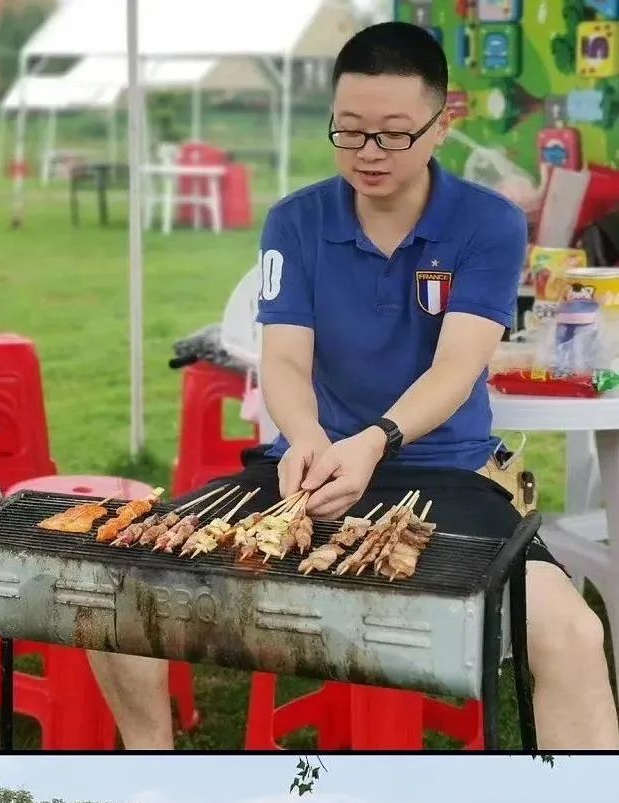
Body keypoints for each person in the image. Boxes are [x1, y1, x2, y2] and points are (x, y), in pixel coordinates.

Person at [89, 22, 619, 752]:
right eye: (350, 132)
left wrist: (375, 441)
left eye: (393, 135)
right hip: (308, 471)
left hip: (445, 471)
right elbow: (282, 362)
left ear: (442, 125)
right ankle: (148, 770)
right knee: (109, 590)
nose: (367, 154)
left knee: (571, 631)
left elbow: (454, 366)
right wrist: (306, 438)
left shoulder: (486, 223)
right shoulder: (296, 222)